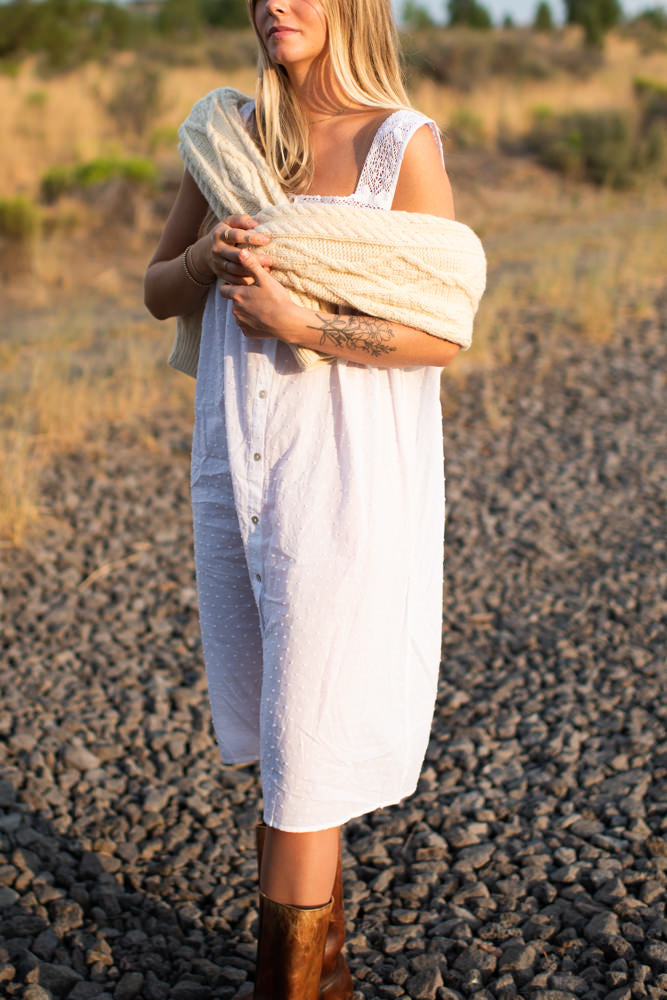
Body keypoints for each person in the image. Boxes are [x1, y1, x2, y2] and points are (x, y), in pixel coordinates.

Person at [144, 0, 475, 995]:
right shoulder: (228, 134)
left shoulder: (399, 144)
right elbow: (159, 287)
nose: (273, 3)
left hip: (345, 491)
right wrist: (207, 261)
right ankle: (316, 968)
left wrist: (300, 316)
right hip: (236, 478)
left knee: (302, 759)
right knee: (286, 750)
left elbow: (444, 327)